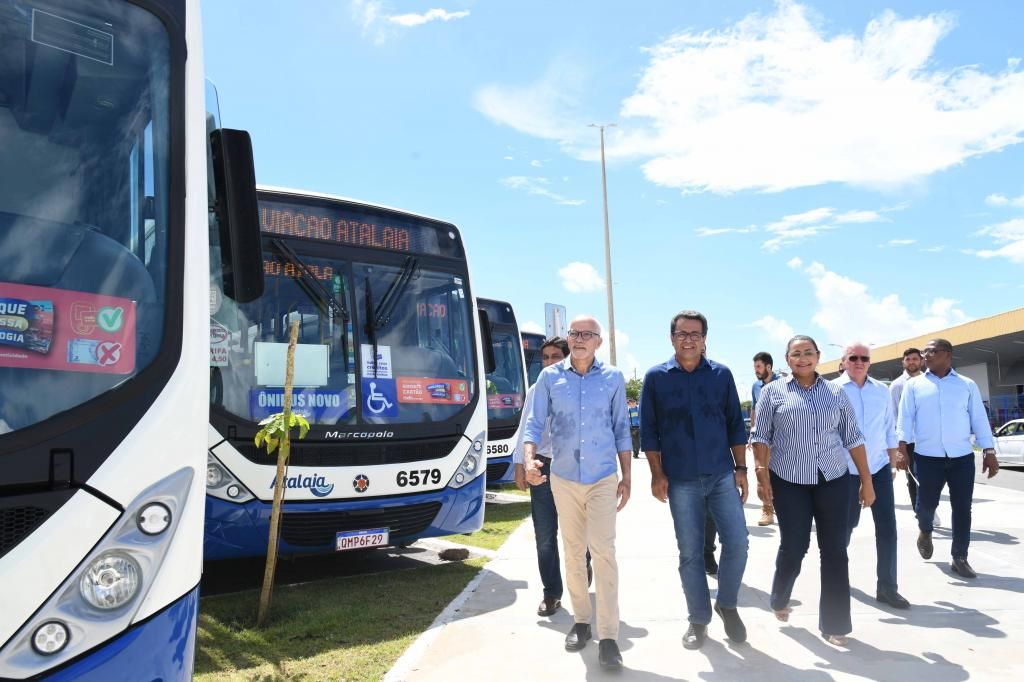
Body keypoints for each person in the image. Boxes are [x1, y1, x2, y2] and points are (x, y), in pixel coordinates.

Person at [522, 316, 632, 670]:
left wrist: (626, 475)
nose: (580, 338)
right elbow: (534, 424)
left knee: (603, 551)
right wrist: (528, 461)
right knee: (572, 552)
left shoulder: (613, 378)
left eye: (588, 334)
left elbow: (621, 429)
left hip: (601, 476)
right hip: (564, 477)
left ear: (599, 341)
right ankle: (582, 621)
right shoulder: (549, 378)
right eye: (575, 333)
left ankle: (610, 636)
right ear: (569, 339)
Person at [751, 335, 875, 647]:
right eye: (796, 354)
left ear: (818, 356)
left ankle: (835, 625)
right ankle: (780, 596)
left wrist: (867, 480)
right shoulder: (771, 393)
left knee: (835, 550)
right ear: (787, 359)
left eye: (808, 353)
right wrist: (761, 475)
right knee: (795, 546)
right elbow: (761, 436)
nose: (803, 358)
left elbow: (854, 437)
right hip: (788, 480)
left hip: (833, 479)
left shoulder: (835, 392)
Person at [641, 311, 749, 650]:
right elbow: (649, 431)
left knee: (739, 543)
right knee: (689, 554)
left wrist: (742, 469)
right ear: (671, 337)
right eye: (682, 333)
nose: (689, 339)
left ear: (705, 338)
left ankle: (727, 604)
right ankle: (698, 620)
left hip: (720, 474)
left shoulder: (722, 375)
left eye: (695, 333)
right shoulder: (656, 377)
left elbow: (735, 423)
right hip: (681, 480)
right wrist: (657, 474)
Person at [896, 338, 999, 579]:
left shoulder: (967, 385)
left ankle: (959, 557)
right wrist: (901, 448)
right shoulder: (914, 386)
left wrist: (989, 451)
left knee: (963, 507)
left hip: (961, 458)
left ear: (948, 355)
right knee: (926, 505)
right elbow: (905, 418)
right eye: (925, 352)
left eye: (932, 351)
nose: (926, 356)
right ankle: (925, 530)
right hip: (927, 457)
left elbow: (979, 419)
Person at [514, 337, 592, 618]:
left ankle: (583, 570)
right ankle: (551, 593)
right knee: (545, 536)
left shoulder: (583, 387)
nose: (549, 362)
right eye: (545, 357)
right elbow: (526, 426)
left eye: (555, 356)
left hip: (575, 469)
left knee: (579, 534)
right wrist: (520, 464)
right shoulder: (537, 388)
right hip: (543, 469)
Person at [834, 343, 909, 609]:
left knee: (888, 529)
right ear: (843, 361)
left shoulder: (881, 391)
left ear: (870, 362)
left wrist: (891, 461)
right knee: (846, 527)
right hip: (846, 472)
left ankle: (887, 587)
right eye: (853, 357)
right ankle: (836, 576)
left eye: (864, 358)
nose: (858, 361)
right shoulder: (832, 391)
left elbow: (889, 428)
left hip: (877, 469)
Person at [888, 347, 935, 524]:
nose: (912, 362)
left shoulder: (930, 382)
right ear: (903, 362)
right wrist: (898, 446)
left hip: (930, 439)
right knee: (914, 478)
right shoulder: (897, 385)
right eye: (908, 359)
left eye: (915, 359)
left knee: (933, 477)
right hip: (908, 441)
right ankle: (920, 512)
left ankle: (929, 506)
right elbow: (892, 415)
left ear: (921, 361)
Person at [751, 351, 780, 526]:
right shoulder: (755, 386)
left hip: (782, 438)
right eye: (755, 367)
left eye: (759, 367)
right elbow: (754, 409)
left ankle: (785, 508)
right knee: (762, 473)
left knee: (783, 474)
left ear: (769, 367)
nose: (756, 371)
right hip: (762, 438)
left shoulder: (783, 383)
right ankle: (767, 510)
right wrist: (752, 433)